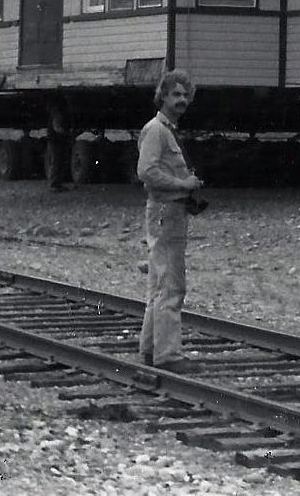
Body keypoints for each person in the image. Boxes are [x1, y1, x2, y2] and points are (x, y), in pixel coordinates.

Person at [136, 68, 203, 373]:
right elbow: (146, 172)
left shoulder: (167, 130)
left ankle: (151, 350)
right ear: (162, 96)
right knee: (170, 285)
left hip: (170, 212)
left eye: (186, 95)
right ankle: (168, 356)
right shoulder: (157, 130)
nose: (182, 100)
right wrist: (182, 185)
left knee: (160, 282)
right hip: (166, 210)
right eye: (175, 94)